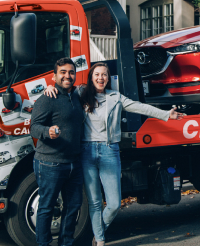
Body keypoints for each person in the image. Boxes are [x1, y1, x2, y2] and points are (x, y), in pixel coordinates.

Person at [44, 62, 184, 246]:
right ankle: (100, 240)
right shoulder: (81, 93)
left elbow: (140, 107)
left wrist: (166, 115)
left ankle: (98, 231)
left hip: (110, 151)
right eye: (97, 74)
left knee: (114, 203)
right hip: (87, 152)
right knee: (94, 202)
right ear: (91, 77)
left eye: (104, 75)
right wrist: (49, 87)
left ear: (108, 78)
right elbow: (63, 88)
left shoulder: (115, 97)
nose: (101, 78)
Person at [30, 57, 85, 246]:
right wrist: (47, 132)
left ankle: (65, 243)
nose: (67, 76)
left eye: (71, 72)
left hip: (74, 163)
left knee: (73, 206)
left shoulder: (77, 95)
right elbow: (34, 127)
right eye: (63, 72)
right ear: (54, 76)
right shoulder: (48, 97)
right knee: (46, 207)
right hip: (49, 163)